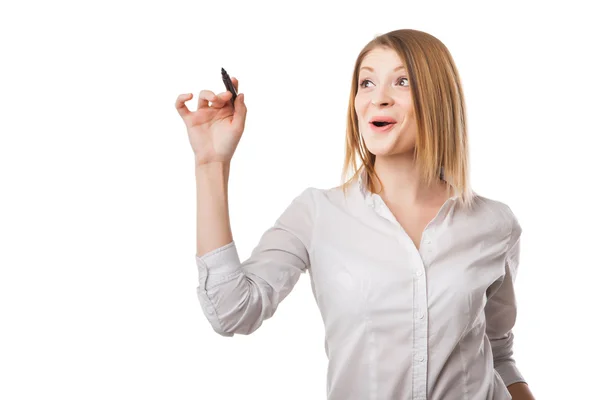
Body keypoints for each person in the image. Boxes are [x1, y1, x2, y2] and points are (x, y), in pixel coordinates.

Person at [175, 29, 536, 400]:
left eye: (402, 81)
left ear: (438, 98)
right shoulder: (317, 213)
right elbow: (232, 311)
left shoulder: (495, 224)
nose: (378, 98)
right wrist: (211, 163)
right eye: (366, 82)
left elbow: (498, 350)